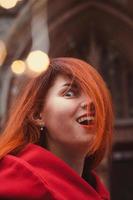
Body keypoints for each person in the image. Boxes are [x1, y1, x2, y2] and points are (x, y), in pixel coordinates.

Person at [0, 57, 114, 199]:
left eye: (96, 95)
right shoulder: (17, 187)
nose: (91, 102)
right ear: (37, 115)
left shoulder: (96, 192)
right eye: (69, 93)